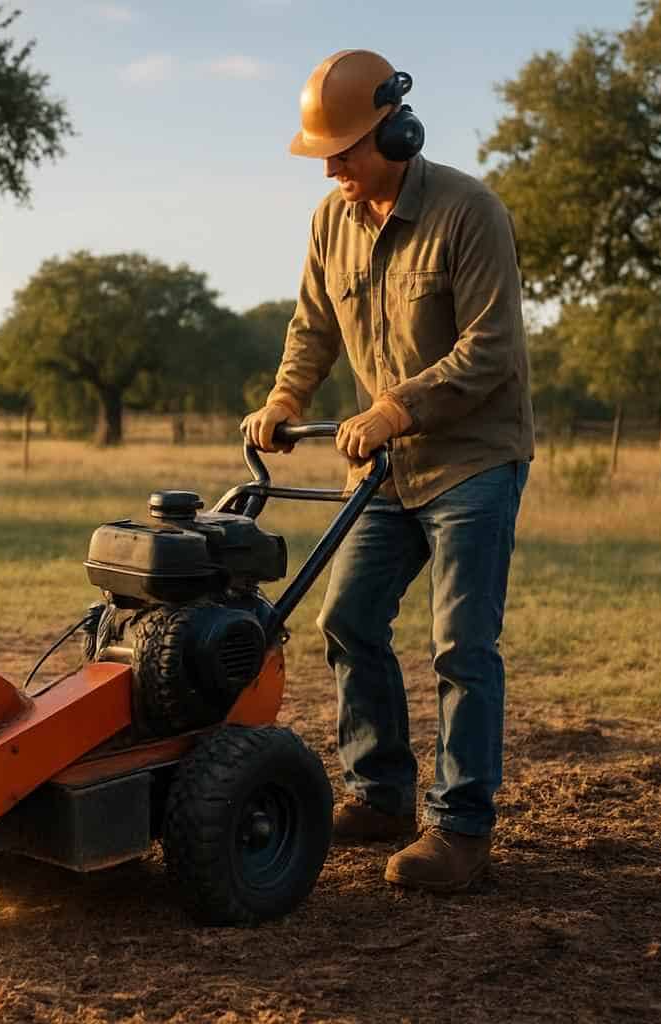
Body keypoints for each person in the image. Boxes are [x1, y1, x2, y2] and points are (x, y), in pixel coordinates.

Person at [241, 49, 534, 892]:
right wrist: (286, 398)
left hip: (474, 457)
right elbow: (312, 326)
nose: (330, 167)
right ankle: (380, 794)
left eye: (343, 150)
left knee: (461, 645)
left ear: (397, 131)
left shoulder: (468, 212)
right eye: (322, 152)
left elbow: (490, 350)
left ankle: (462, 827)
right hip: (386, 467)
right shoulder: (331, 221)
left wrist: (395, 407)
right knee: (348, 621)